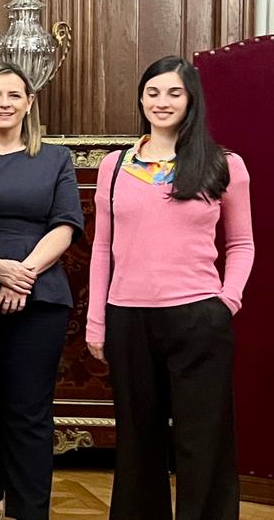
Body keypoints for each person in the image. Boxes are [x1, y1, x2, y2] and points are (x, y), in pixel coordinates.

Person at [86, 56, 254, 519]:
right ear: (141, 99)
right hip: (127, 318)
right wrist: (96, 323)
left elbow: (241, 244)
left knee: (203, 442)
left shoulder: (223, 164)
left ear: (191, 99)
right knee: (139, 442)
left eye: (174, 93)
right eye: (153, 92)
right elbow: (102, 248)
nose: (162, 102)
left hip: (200, 318)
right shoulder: (115, 166)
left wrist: (226, 302)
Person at [0, 64, 82, 520]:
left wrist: (23, 273)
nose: (4, 103)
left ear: (29, 102)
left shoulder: (55, 159)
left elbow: (67, 223)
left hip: (40, 293)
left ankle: (30, 511)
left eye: (14, 95)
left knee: (29, 411)